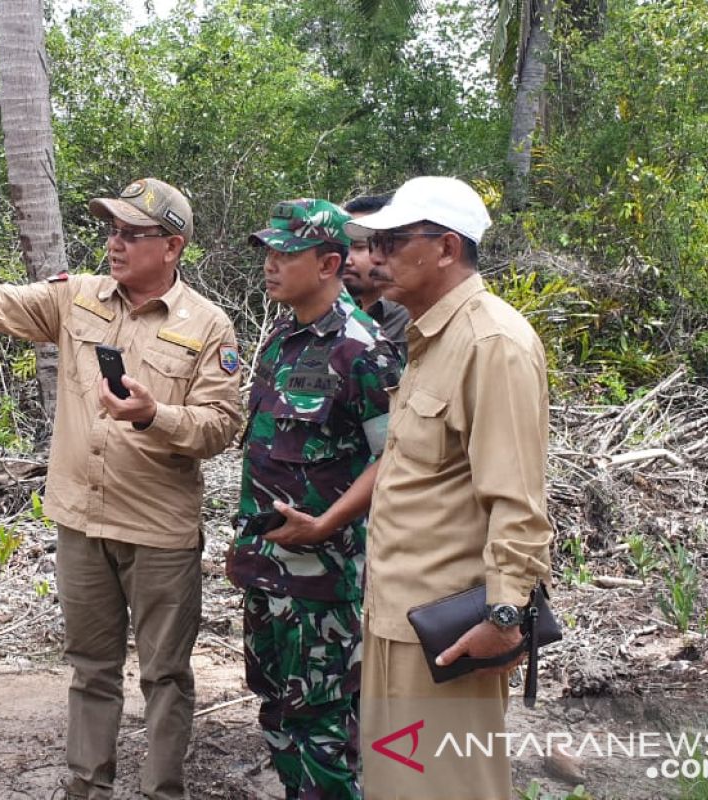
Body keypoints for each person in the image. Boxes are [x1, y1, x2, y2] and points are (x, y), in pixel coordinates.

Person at [0, 179, 242, 800]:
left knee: (166, 674)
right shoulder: (77, 298)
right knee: (91, 670)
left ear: (172, 247)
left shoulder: (209, 326)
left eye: (130, 233)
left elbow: (221, 426)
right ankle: (87, 785)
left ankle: (162, 789)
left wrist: (153, 415)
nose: (113, 243)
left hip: (159, 532)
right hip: (81, 523)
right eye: (110, 229)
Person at [345, 177, 553, 800]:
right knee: (397, 782)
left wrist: (507, 614)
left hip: (451, 631)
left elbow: (516, 497)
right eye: (374, 240)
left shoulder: (492, 344)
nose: (376, 254)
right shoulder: (429, 339)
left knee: (451, 788)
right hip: (396, 617)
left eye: (392, 240)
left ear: (444, 248)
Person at [228, 199, 400, 800]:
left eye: (286, 254)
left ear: (329, 263)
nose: (270, 266)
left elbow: (392, 458)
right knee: (277, 712)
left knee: (323, 726)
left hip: (324, 584)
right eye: (268, 253)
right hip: (267, 569)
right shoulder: (281, 338)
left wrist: (326, 521)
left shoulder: (364, 348)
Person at [341, 194, 411, 359]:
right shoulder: (342, 315)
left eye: (359, 247)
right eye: (343, 248)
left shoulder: (412, 319)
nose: (346, 260)